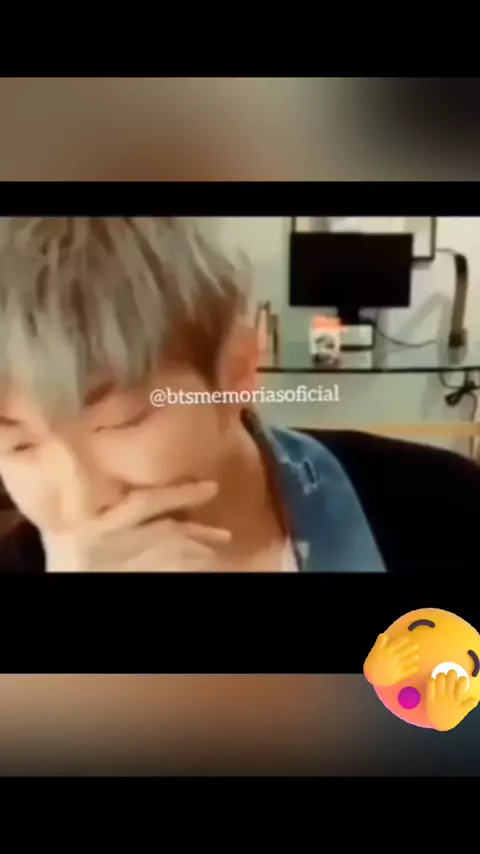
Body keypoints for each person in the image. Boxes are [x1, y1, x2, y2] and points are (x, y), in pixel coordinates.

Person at [0, 217, 476, 574]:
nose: (84, 500)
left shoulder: (443, 508)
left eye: (122, 420)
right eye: (19, 445)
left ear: (236, 373)